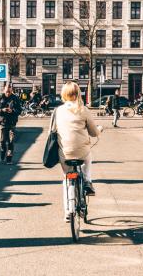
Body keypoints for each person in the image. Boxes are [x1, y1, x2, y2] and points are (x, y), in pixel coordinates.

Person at [54, 82, 102, 221]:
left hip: (65, 152)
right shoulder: (83, 109)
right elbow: (93, 132)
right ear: (78, 94)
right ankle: (87, 182)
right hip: (81, 151)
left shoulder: (58, 110)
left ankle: (68, 211)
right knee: (88, 157)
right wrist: (99, 130)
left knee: (67, 179)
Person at [0, 84, 22, 164]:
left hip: (11, 123)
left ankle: (9, 158)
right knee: (2, 141)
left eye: (9, 91)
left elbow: (19, 110)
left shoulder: (15, 98)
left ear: (11, 90)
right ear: (4, 90)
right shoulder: (0, 98)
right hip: (2, 123)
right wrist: (2, 110)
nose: (8, 93)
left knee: (10, 141)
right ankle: (3, 151)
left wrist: (12, 111)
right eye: (7, 91)